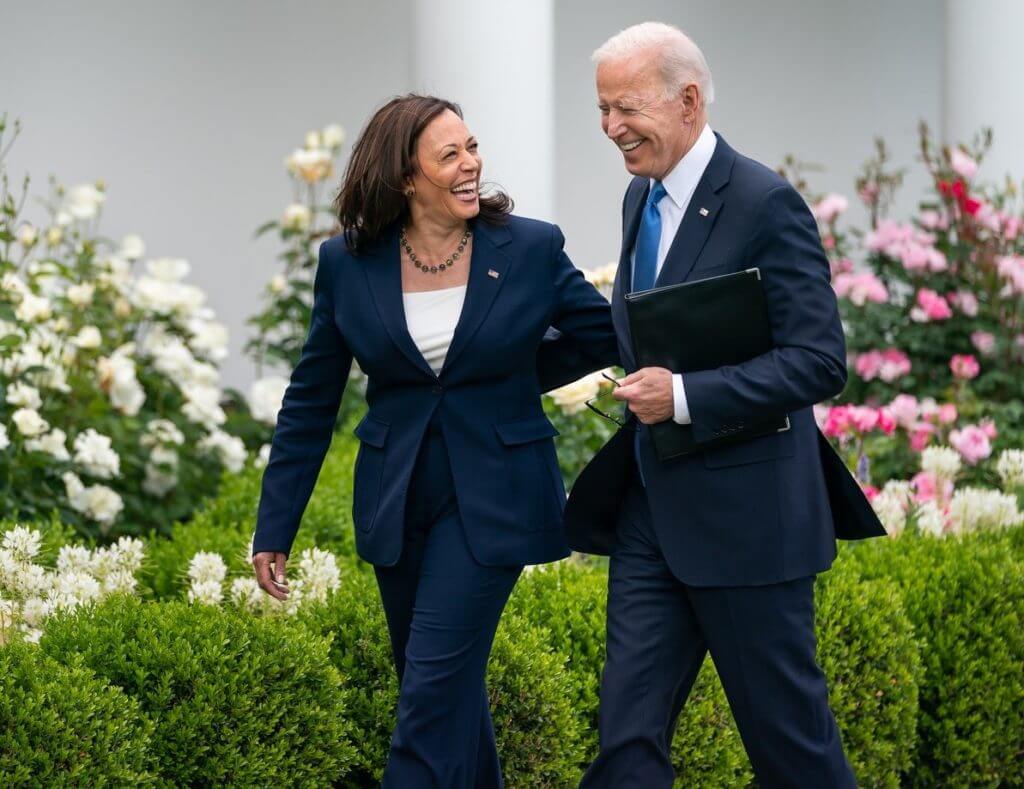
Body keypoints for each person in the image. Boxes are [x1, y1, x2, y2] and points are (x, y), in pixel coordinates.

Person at [249, 94, 617, 788]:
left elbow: (601, 333)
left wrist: (511, 378)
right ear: (404, 177)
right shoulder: (347, 263)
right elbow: (310, 399)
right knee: (444, 693)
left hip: (495, 497)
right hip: (398, 498)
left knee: (426, 698)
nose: (471, 163)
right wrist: (276, 526)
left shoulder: (530, 247)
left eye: (472, 147)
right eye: (450, 154)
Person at [567, 23, 882, 788]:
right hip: (652, 514)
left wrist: (683, 396)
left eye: (626, 108)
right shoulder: (637, 196)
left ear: (688, 99)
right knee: (626, 741)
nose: (612, 127)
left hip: (752, 522)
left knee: (793, 754)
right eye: (601, 109)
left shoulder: (765, 202)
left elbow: (818, 360)